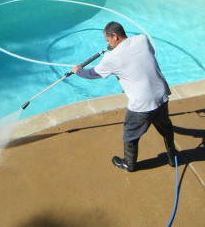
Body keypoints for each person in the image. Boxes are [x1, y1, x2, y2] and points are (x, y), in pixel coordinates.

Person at [71, 21, 176, 172]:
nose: (108, 44)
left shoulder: (111, 58)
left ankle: (129, 164)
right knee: (166, 127)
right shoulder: (142, 39)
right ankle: (173, 157)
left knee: (130, 135)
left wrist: (78, 71)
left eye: (108, 40)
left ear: (115, 36)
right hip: (161, 94)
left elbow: (93, 74)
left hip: (142, 104)